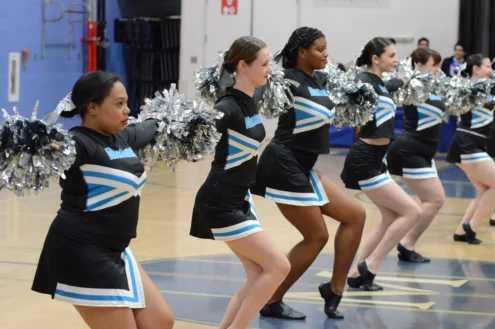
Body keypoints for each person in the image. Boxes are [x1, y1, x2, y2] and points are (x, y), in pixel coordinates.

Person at [31, 71, 175, 329]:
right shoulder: (77, 143)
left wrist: (170, 119)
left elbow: (151, 126)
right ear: (93, 107)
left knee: (160, 321)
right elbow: (45, 147)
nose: (127, 110)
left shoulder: (122, 138)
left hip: (115, 250)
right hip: (81, 251)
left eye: (126, 103)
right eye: (118, 104)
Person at [252, 26, 366, 320]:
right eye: (319, 49)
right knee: (316, 237)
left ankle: (335, 289)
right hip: (282, 163)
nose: (325, 54)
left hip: (304, 166)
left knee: (355, 215)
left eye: (326, 48)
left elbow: (356, 86)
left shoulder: (321, 79)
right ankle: (271, 299)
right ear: (302, 53)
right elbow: (256, 89)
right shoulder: (288, 79)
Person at [189, 36, 291, 329]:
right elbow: (201, 128)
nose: (269, 69)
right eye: (264, 63)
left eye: (270, 62)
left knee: (260, 273)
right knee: (278, 266)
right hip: (220, 200)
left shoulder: (251, 99)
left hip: (239, 199)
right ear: (242, 66)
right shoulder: (229, 107)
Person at [341, 37, 421, 291]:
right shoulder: (364, 82)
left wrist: (408, 80)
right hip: (366, 158)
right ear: (375, 59)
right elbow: (350, 92)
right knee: (412, 212)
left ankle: (356, 273)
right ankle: (371, 265)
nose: (396, 60)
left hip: (378, 159)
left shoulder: (379, 83)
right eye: (391, 55)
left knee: (390, 217)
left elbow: (394, 84)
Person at [386, 48, 446, 263]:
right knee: (435, 199)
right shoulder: (412, 86)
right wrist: (403, 78)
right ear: (419, 66)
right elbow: (391, 87)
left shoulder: (432, 88)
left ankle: (405, 245)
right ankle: (405, 244)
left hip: (424, 154)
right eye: (434, 64)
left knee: (432, 201)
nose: (437, 69)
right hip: (409, 150)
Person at [447, 54, 495, 244]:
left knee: (484, 189)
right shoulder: (476, 87)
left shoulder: (482, 86)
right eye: (487, 67)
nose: (490, 70)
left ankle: (461, 231)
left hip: (469, 143)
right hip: (467, 143)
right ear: (475, 69)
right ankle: (472, 226)